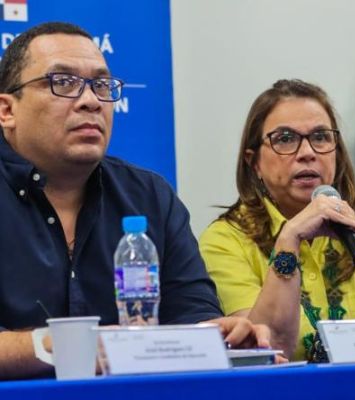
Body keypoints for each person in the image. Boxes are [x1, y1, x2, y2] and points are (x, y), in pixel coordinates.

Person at [0, 22, 268, 380]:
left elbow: (192, 317)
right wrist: (61, 346)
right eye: (62, 83)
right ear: (7, 111)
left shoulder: (149, 196)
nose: (91, 101)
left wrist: (227, 335)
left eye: (101, 85)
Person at [200, 79, 355, 361]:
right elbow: (266, 353)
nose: (307, 153)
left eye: (320, 137)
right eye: (285, 139)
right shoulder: (225, 239)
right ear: (254, 163)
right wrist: (289, 240)